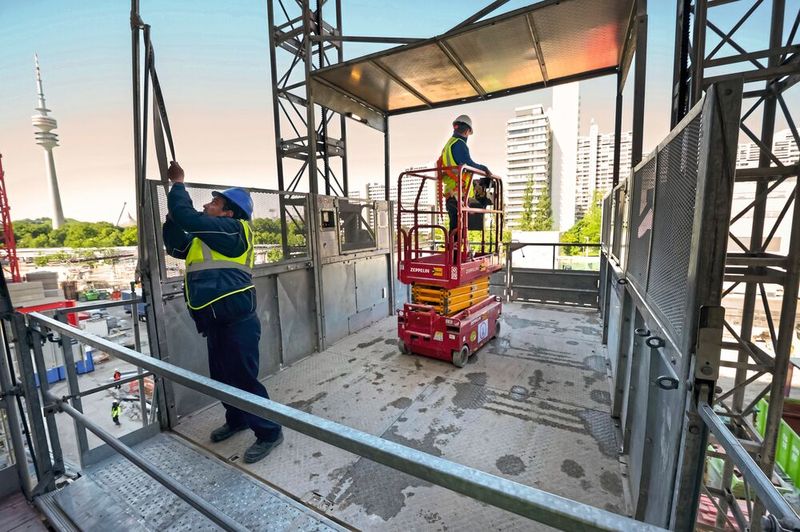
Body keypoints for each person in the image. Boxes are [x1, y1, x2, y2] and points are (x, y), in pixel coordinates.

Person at [161, 161, 283, 464]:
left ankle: (269, 432)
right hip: (214, 320)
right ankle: (238, 418)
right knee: (222, 376)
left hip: (237, 320)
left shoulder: (232, 230)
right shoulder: (206, 238)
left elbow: (187, 214)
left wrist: (178, 184)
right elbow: (175, 244)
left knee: (244, 379)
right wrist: (172, 219)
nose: (207, 204)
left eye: (214, 202)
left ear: (228, 213)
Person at [437, 114, 492, 258]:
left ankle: (454, 257)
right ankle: (455, 260)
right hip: (458, 193)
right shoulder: (459, 144)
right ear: (467, 131)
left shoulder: (449, 144)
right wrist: (483, 168)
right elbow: (467, 164)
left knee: (455, 227)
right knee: (458, 228)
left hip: (452, 193)